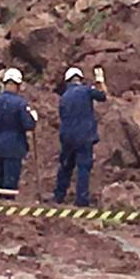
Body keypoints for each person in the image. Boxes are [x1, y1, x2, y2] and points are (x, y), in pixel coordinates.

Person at [54, 66, 108, 206]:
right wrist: (100, 80)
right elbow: (103, 96)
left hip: (67, 137)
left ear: (67, 81)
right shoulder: (86, 90)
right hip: (84, 137)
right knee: (83, 167)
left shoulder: (64, 97)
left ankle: (59, 196)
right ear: (80, 79)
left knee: (66, 166)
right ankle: (81, 200)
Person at [0, 68, 38, 194]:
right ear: (18, 85)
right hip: (14, 146)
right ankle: (7, 209)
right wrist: (33, 118)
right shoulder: (20, 104)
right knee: (9, 184)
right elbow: (28, 125)